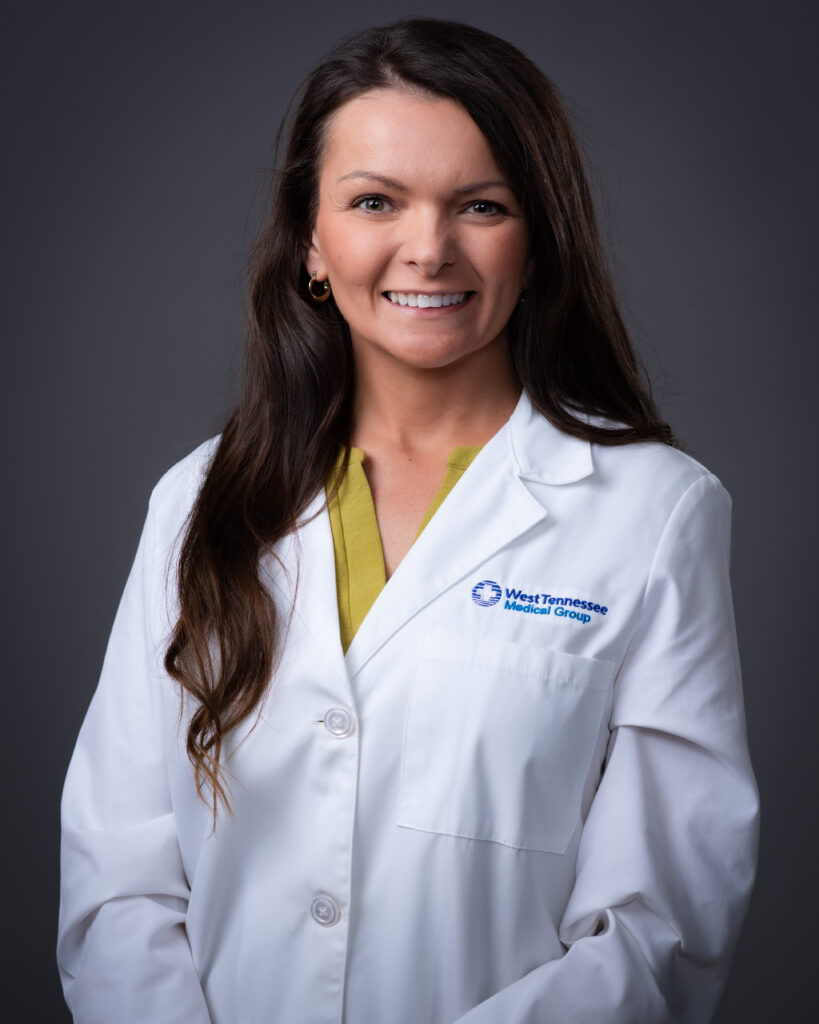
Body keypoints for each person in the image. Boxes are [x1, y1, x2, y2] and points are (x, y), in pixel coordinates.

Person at [57, 17, 758, 1024]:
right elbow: (117, 881)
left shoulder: (653, 513)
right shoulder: (198, 503)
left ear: (538, 237)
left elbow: (660, 928)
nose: (427, 249)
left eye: (481, 205)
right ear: (311, 239)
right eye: (375, 201)